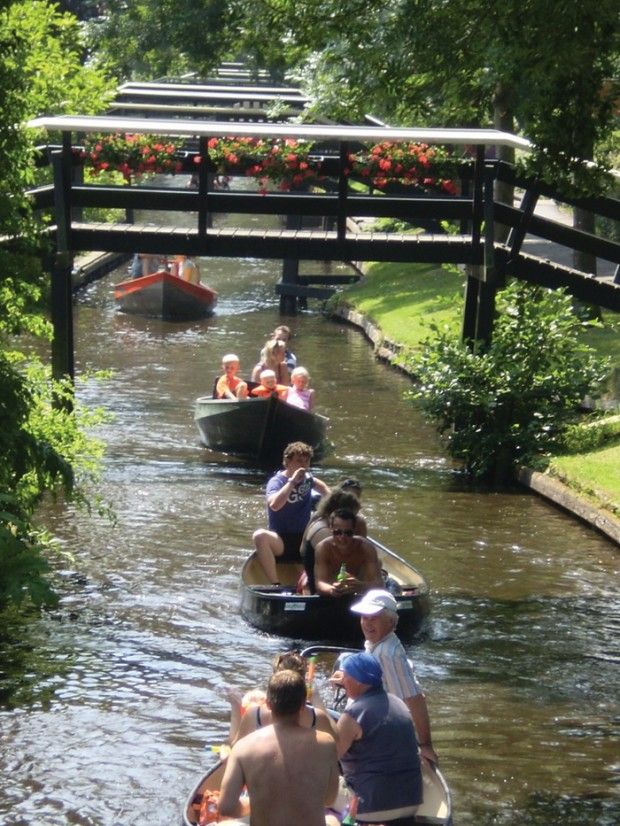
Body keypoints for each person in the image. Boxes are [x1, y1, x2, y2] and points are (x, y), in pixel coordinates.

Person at [218, 669, 340, 826]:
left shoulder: (242, 747)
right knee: (333, 820)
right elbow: (329, 799)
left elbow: (225, 807)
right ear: (303, 705)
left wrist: (253, 805)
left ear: (268, 704)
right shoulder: (327, 743)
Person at [350, 589, 438, 766]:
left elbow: (415, 699)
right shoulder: (381, 643)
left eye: (373, 617)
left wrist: (426, 745)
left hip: (382, 738)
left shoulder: (388, 655)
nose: (367, 623)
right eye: (364, 617)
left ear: (390, 621)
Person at [334, 652, 422, 825]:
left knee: (314, 780)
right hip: (411, 803)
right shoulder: (399, 704)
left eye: (346, 676)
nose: (343, 681)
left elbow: (330, 755)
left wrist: (317, 705)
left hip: (370, 807)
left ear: (359, 681)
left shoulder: (354, 713)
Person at [252, 441, 329, 585]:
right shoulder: (277, 482)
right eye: (299, 461)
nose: (304, 466)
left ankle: (325, 580)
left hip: (304, 539)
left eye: (307, 461)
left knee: (332, 528)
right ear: (287, 461)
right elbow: (275, 505)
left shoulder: (308, 479)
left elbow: (324, 489)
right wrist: (292, 482)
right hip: (281, 540)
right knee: (260, 536)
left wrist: (337, 505)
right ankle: (275, 584)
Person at [230, 651, 336, 744]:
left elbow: (234, 748)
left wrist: (235, 707)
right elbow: (339, 749)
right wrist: (317, 700)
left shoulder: (254, 715)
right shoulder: (317, 718)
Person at [299, 489, 367, 594]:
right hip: (328, 593)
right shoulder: (324, 533)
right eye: (353, 515)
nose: (356, 519)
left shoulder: (319, 518)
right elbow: (344, 571)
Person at [313, 509, 382, 598]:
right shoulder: (323, 548)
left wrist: (361, 586)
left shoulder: (366, 548)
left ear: (354, 530)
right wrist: (331, 589)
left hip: (360, 588)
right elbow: (320, 582)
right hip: (332, 591)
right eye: (337, 532)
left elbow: (379, 584)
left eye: (348, 533)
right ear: (331, 529)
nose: (342, 538)